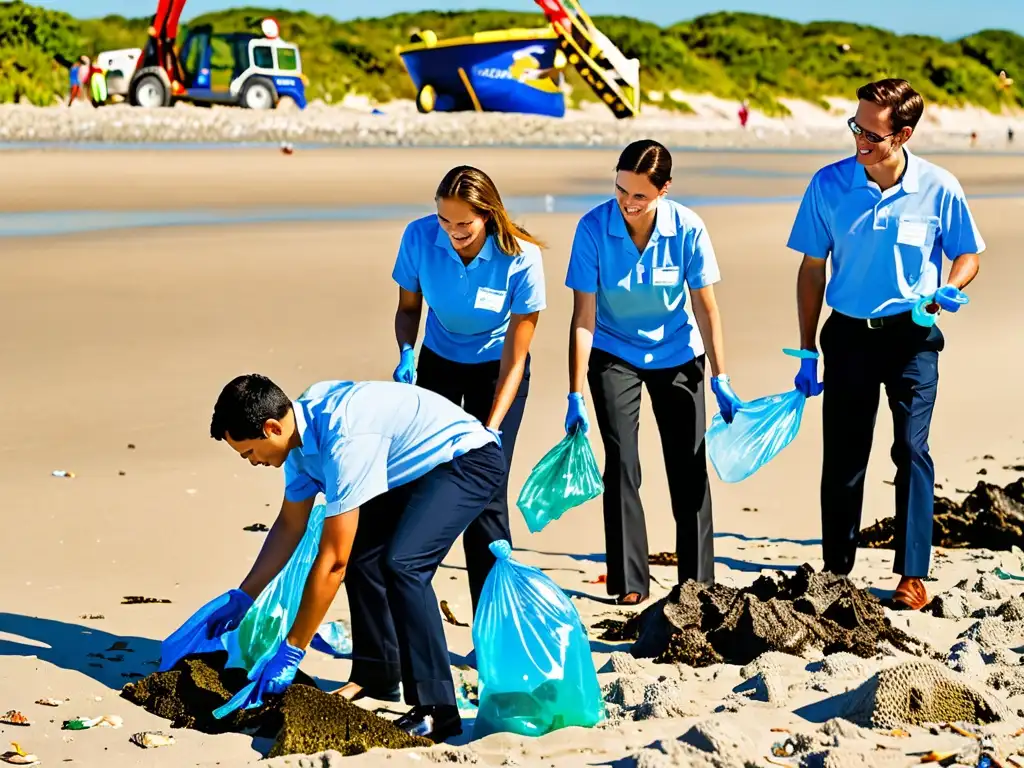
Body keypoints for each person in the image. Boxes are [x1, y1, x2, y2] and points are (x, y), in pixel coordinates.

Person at [164, 374, 506, 743]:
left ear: (272, 427)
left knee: (404, 564)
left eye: (249, 452)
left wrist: (293, 649)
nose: (251, 462)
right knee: (364, 556)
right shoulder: (298, 442)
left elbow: (332, 563)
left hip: (468, 459)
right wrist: (243, 597)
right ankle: (378, 676)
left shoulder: (344, 438)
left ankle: (438, 708)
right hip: (414, 468)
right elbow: (289, 527)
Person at [786, 78, 983, 611]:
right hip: (847, 335)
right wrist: (807, 349)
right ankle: (837, 570)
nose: (859, 139)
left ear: (903, 134)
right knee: (845, 457)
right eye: (856, 126)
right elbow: (811, 270)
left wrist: (950, 287)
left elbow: (967, 255)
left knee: (912, 449)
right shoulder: (828, 185)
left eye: (871, 132)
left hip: (913, 337)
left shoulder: (939, 187)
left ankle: (912, 574)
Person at [564, 139, 742, 606]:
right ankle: (629, 583)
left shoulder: (688, 228)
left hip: (678, 353)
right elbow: (582, 317)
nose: (627, 202)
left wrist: (721, 376)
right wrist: (575, 390)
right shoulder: (593, 228)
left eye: (639, 195)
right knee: (621, 463)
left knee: (688, 466)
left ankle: (697, 586)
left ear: (664, 190)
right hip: (613, 351)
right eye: (621, 189)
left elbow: (706, 308)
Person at [389, 165, 546, 615]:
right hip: (438, 363)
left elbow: (517, 357)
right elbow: (407, 309)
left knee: (485, 491)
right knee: (423, 481)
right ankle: (411, 602)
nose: (453, 232)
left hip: (498, 371)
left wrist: (490, 427)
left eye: (464, 223)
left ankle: (492, 622)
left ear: (489, 215)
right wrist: (406, 352)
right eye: (445, 220)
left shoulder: (521, 256)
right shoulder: (419, 238)